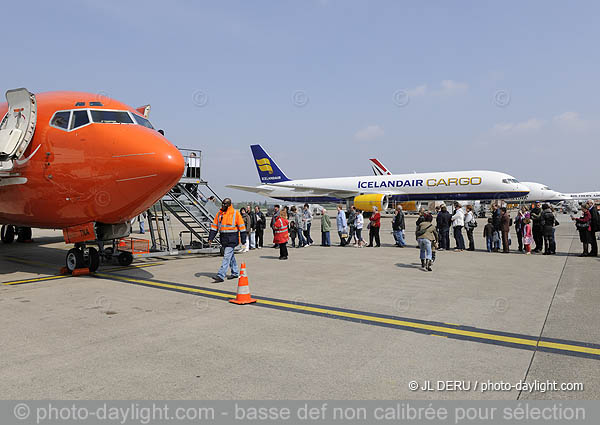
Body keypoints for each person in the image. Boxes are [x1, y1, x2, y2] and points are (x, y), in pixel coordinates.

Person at [207, 198, 246, 283]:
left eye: (224, 204)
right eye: (222, 204)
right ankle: (235, 272)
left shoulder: (235, 214)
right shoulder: (219, 214)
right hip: (224, 239)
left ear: (229, 205)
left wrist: (243, 240)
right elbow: (214, 227)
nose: (222, 205)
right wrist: (210, 238)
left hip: (232, 239)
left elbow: (242, 227)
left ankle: (221, 275)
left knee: (226, 256)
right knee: (231, 257)